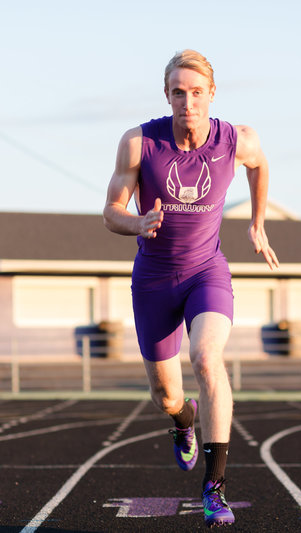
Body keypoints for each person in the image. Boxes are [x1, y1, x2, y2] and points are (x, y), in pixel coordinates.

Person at [103, 49, 279, 527]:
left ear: (211, 95)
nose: (188, 101)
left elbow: (260, 165)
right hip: (154, 280)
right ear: (167, 95)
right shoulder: (139, 143)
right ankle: (184, 421)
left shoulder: (235, 139)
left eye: (197, 92)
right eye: (179, 92)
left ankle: (215, 487)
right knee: (166, 396)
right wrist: (137, 222)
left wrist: (258, 222)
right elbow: (110, 210)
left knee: (206, 356)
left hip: (207, 273)